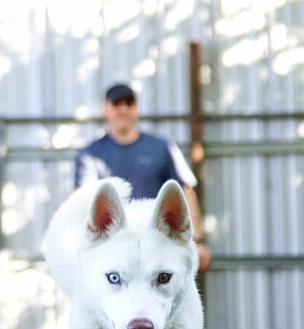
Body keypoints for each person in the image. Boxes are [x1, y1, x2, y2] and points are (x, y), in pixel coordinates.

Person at [75, 83, 211, 271]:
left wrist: (198, 241)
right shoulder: (90, 155)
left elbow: (186, 192)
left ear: (137, 107)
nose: (123, 109)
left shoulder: (162, 148)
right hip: (113, 252)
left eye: (128, 103)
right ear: (105, 108)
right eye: (116, 104)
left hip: (159, 248)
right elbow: (82, 203)